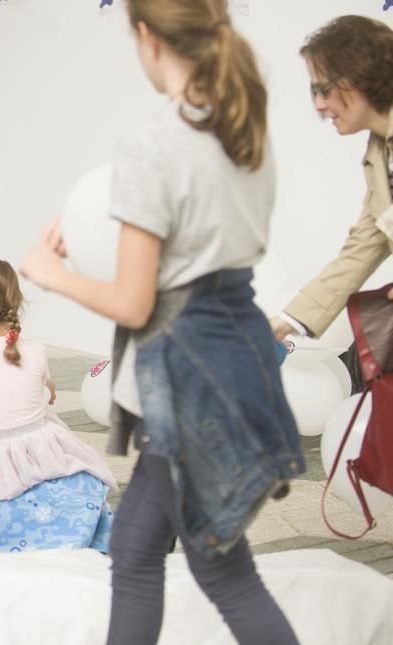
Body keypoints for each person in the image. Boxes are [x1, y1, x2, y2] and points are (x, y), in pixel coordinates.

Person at [21, 1, 303, 643]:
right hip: (239, 353)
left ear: (147, 36)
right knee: (138, 548)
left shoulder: (156, 142)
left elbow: (136, 303)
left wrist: (50, 271)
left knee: (223, 573)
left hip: (186, 375)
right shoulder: (247, 133)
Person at [270, 16, 393, 386]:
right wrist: (283, 323)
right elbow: (362, 248)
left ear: (360, 77)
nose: (320, 105)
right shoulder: (379, 152)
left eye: (324, 89)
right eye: (314, 92)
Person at [0, 259, 117, 501]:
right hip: (38, 454)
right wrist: (45, 392)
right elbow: (42, 401)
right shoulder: (36, 351)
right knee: (47, 416)